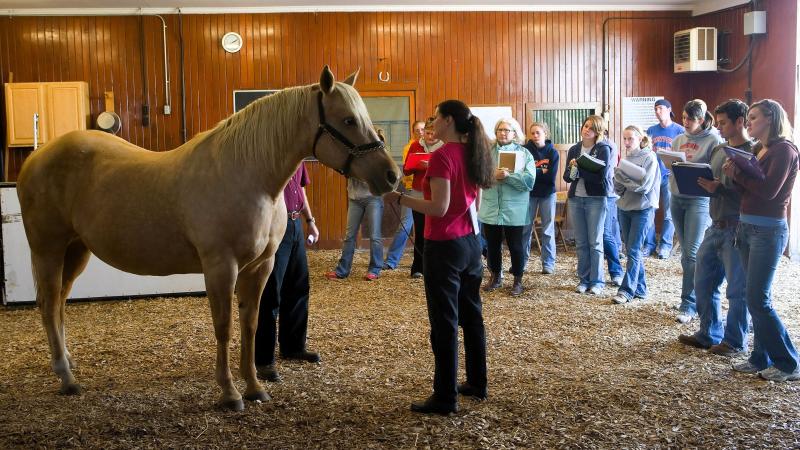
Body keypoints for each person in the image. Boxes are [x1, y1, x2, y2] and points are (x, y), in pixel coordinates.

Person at [384, 99, 494, 415]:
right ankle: (477, 382)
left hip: (445, 245)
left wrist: (400, 197)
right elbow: (476, 199)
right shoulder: (476, 152)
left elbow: (439, 208)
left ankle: (445, 396)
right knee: (471, 315)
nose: (432, 123)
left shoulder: (442, 156)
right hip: (471, 241)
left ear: (447, 120)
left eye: (436, 118)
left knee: (443, 321)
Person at [724, 99, 799, 382]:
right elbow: (747, 188)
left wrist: (739, 174)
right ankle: (760, 357)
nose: (749, 122)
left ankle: (789, 363)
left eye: (753, 117)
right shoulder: (760, 148)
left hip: (768, 230)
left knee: (759, 299)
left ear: (770, 118)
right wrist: (734, 174)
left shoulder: (784, 150)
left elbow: (768, 191)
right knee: (753, 297)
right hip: (747, 225)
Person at [678, 99, 754, 356]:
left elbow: (754, 194)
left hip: (738, 227)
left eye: (723, 123)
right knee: (703, 281)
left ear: (739, 122)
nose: (718, 127)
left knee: (736, 289)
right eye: (718, 122)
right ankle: (709, 332)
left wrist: (719, 188)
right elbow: (713, 183)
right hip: (715, 223)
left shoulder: (753, 152)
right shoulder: (719, 150)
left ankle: (735, 340)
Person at [255, 163, 321, 383]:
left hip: (295, 225)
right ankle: (263, 359)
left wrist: (310, 221)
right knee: (271, 292)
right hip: (276, 227)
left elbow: (301, 190)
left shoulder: (298, 160)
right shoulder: (273, 156)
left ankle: (293, 346)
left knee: (298, 286)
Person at [669, 99, 724, 323]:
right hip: (677, 196)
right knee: (685, 254)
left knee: (692, 253)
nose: (685, 122)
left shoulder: (713, 140)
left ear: (701, 119)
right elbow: (672, 164)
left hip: (698, 200)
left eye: (690, 119)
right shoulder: (679, 139)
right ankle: (689, 296)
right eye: (683, 118)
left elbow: (716, 169)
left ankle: (688, 304)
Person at [478, 117, 535, 296]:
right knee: (492, 245)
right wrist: (492, 176)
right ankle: (495, 277)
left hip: (515, 209)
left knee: (516, 246)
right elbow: (478, 176)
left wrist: (508, 177)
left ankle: (518, 280)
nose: (503, 133)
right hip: (491, 206)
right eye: (500, 129)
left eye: (507, 130)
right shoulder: (486, 152)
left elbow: (529, 181)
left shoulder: (525, 154)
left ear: (515, 133)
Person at [325, 129, 388, 281]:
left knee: (374, 236)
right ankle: (342, 270)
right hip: (355, 197)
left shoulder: (382, 158)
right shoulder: (354, 153)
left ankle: (375, 269)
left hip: (373, 198)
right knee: (349, 236)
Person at [563, 115, 614, 295]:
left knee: (595, 242)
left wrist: (581, 169)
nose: (586, 130)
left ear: (597, 132)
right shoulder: (575, 149)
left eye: (591, 128)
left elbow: (600, 177)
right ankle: (583, 279)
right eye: (585, 126)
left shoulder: (603, 148)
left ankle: (597, 281)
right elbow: (567, 177)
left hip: (596, 199)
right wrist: (573, 168)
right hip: (576, 198)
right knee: (582, 242)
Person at [611, 125, 660, 304]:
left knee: (633, 250)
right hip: (624, 207)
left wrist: (623, 179)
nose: (626, 142)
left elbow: (644, 187)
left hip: (643, 209)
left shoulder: (650, 157)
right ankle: (641, 288)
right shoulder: (626, 159)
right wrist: (620, 179)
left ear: (640, 139)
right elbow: (618, 189)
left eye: (630, 138)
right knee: (631, 249)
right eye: (624, 139)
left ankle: (626, 291)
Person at [402, 119, 444, 278]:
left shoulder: (444, 146)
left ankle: (437, 267)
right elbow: (406, 170)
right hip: (419, 193)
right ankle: (418, 267)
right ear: (423, 132)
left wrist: (431, 166)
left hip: (438, 193)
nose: (431, 136)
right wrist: (417, 166)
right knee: (420, 232)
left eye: (434, 133)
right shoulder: (415, 146)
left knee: (437, 232)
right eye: (428, 133)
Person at [383, 120, 426, 270]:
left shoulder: (433, 146)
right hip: (410, 189)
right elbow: (407, 169)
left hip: (427, 192)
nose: (420, 132)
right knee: (406, 225)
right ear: (413, 132)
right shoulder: (410, 147)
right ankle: (392, 260)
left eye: (423, 130)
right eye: (417, 130)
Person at [645, 99, 684, 259]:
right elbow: (646, 151)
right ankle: (649, 244)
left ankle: (665, 246)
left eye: (660, 108)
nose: (657, 111)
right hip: (653, 175)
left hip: (670, 176)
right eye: (655, 109)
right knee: (649, 211)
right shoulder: (651, 130)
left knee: (669, 213)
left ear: (669, 109)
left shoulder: (679, 130)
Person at [521, 121, 560, 274]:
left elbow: (550, 177)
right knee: (525, 229)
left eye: (538, 132)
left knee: (547, 229)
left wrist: (533, 172)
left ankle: (548, 263)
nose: (535, 136)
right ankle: (522, 262)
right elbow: (523, 174)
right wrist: (541, 171)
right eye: (533, 133)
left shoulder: (553, 152)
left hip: (547, 194)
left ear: (545, 134)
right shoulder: (525, 151)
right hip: (529, 193)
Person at [603, 134, 624, 286]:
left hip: (608, 193)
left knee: (605, 233)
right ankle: (590, 274)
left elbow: (609, 171)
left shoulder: (609, 145)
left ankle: (616, 271)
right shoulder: (582, 146)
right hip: (589, 195)